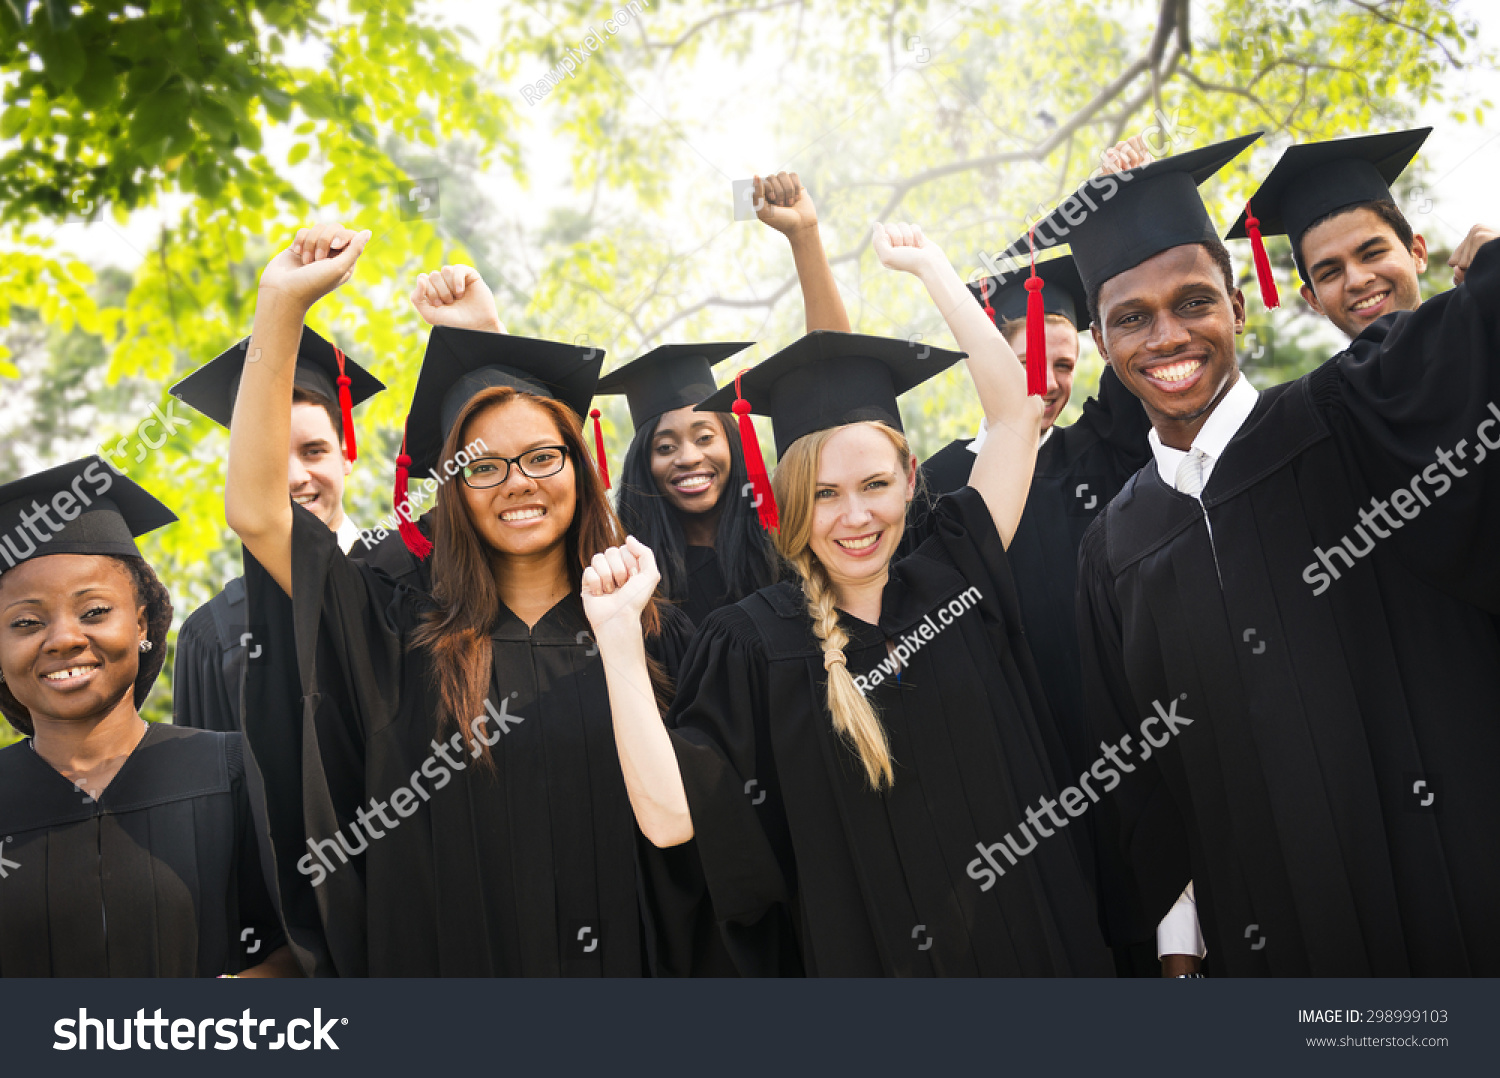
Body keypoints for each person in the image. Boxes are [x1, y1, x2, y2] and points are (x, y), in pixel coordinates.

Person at [578, 223, 1115, 976]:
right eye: (825, 493)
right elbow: (670, 819)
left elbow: (1018, 412)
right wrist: (616, 636)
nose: (855, 517)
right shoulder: (751, 644)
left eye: (874, 486)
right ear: (791, 500)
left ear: (910, 480)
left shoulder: (957, 573)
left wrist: (933, 269)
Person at [1025, 131, 1500, 975]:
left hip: (1452, 904)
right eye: (1132, 318)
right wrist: (1178, 953)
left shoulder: (1354, 418)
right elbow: (1141, 775)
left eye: (1194, 302)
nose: (1166, 336)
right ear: (1102, 343)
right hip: (1272, 947)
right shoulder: (1112, 551)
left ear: (1239, 305)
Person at [227, 224, 705, 977]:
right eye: (483, 467)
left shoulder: (652, 633)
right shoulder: (394, 631)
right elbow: (260, 514)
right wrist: (281, 305)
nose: (518, 482)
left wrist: (486, 339)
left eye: (544, 458)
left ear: (580, 468)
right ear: (449, 491)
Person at [0, 457, 294, 977]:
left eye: (94, 612)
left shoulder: (234, 773)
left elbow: (305, 944)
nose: (65, 639)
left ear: (142, 624)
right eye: (26, 622)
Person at [169, 330, 418, 734]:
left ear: (347, 453)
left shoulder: (416, 570)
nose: (295, 478)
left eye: (313, 451)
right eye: (269, 457)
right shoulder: (213, 631)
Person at [1226, 127, 1497, 336]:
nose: (1356, 280)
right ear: (1313, 300)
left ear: (1417, 253)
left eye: (1372, 253)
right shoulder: (1319, 405)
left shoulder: (1485, 332)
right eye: (1330, 272)